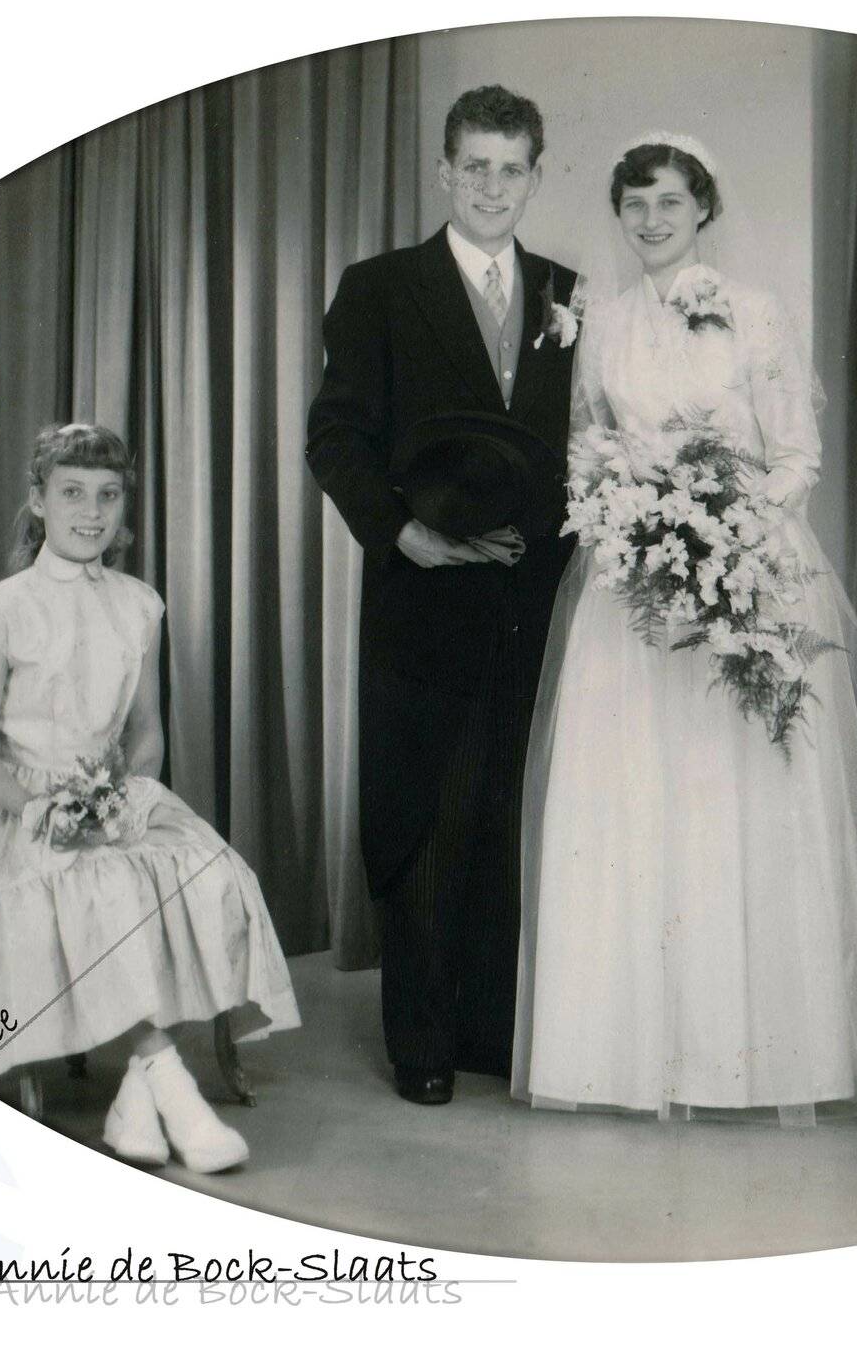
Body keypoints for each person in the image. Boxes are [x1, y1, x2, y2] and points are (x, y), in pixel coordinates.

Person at [511, 133, 857, 1121]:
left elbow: (797, 454)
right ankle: (623, 1060)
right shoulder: (604, 321)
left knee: (735, 802)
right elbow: (586, 446)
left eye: (670, 201)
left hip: (747, 576)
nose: (651, 219)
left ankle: (763, 1062)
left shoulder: (754, 313)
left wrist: (728, 535)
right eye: (634, 204)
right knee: (629, 803)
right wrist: (630, 529)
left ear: (704, 207)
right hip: (630, 590)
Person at [0, 422, 299, 1173]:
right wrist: (43, 812)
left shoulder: (139, 604)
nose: (91, 513)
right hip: (7, 802)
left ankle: (135, 1102)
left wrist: (124, 799)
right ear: (38, 501)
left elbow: (146, 734)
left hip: (107, 793)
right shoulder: (5, 609)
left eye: (107, 495)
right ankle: (169, 1084)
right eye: (72, 494)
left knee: (208, 872)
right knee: (95, 887)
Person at [307, 85, 578, 1106]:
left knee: (508, 810)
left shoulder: (568, 292)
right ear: (444, 173)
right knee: (423, 811)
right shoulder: (380, 287)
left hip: (533, 594)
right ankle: (421, 1041)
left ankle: (487, 1031)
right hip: (422, 590)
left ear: (535, 177)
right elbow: (335, 434)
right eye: (475, 167)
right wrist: (401, 533)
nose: (492, 187)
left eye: (511, 169)